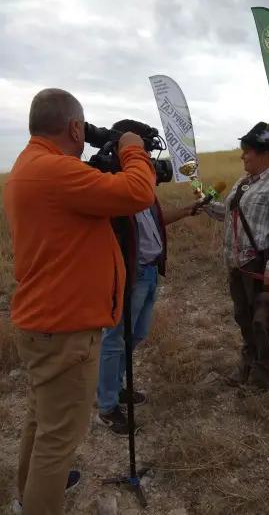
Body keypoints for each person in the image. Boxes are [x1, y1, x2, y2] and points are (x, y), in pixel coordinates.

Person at [3, 89, 156, 515]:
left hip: (44, 324)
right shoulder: (55, 171)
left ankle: (24, 497)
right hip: (66, 329)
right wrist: (132, 149)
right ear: (74, 128)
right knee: (58, 441)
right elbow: (136, 192)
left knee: (41, 423)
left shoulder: (29, 165)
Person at [96, 120, 197, 435]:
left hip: (151, 270)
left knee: (135, 335)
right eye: (143, 153)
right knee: (114, 339)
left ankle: (119, 386)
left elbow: (156, 222)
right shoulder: (114, 187)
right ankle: (108, 405)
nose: (149, 162)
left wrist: (188, 210)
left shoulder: (144, 188)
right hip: (129, 272)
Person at [206, 122, 269, 389]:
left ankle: (261, 375)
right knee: (242, 316)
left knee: (261, 322)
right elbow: (228, 213)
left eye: (248, 151)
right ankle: (246, 362)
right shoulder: (243, 183)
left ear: (266, 153)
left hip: (259, 265)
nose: (243, 156)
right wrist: (205, 204)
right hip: (236, 263)